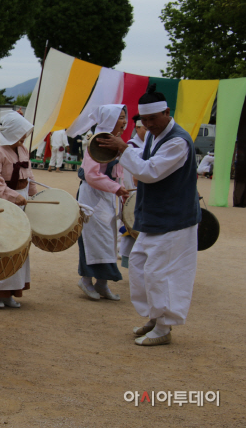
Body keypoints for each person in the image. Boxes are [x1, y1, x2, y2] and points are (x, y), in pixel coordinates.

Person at [99, 84, 202, 346]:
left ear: (167, 112)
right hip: (155, 216)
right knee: (140, 265)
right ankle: (155, 317)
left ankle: (164, 327)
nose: (148, 125)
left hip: (174, 220)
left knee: (161, 273)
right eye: (144, 120)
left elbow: (150, 172)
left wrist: (123, 149)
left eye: (152, 119)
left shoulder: (178, 140)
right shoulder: (156, 136)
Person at [0, 111, 36, 308]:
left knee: (18, 244)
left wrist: (33, 194)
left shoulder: (23, 149)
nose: (24, 137)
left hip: (21, 200)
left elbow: (29, 175)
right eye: (21, 133)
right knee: (1, 245)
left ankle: (10, 291)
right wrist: (14, 196)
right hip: (2, 202)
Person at [76, 105, 130, 301]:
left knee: (108, 239)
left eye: (125, 117)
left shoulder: (116, 141)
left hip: (107, 196)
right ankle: (86, 280)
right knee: (92, 238)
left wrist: (121, 190)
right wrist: (116, 188)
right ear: (111, 119)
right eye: (121, 117)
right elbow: (91, 175)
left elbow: (118, 172)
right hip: (91, 196)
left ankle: (102, 284)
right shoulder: (97, 141)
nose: (124, 121)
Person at [118, 115, 147, 268]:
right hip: (133, 192)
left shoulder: (148, 144)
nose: (147, 131)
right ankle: (127, 259)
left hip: (141, 191)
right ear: (137, 128)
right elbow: (129, 175)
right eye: (145, 128)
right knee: (131, 227)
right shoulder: (131, 146)